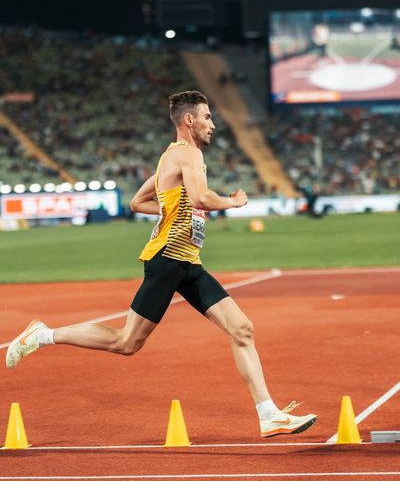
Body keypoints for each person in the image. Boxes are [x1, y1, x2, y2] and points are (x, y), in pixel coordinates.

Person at [6, 90, 316, 439]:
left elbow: (139, 202)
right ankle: (44, 334)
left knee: (242, 328)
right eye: (208, 117)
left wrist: (172, 208)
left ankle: (268, 414)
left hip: (187, 261)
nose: (212, 124)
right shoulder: (187, 154)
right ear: (189, 121)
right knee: (126, 342)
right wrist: (231, 201)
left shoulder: (171, 157)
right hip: (167, 259)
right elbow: (199, 197)